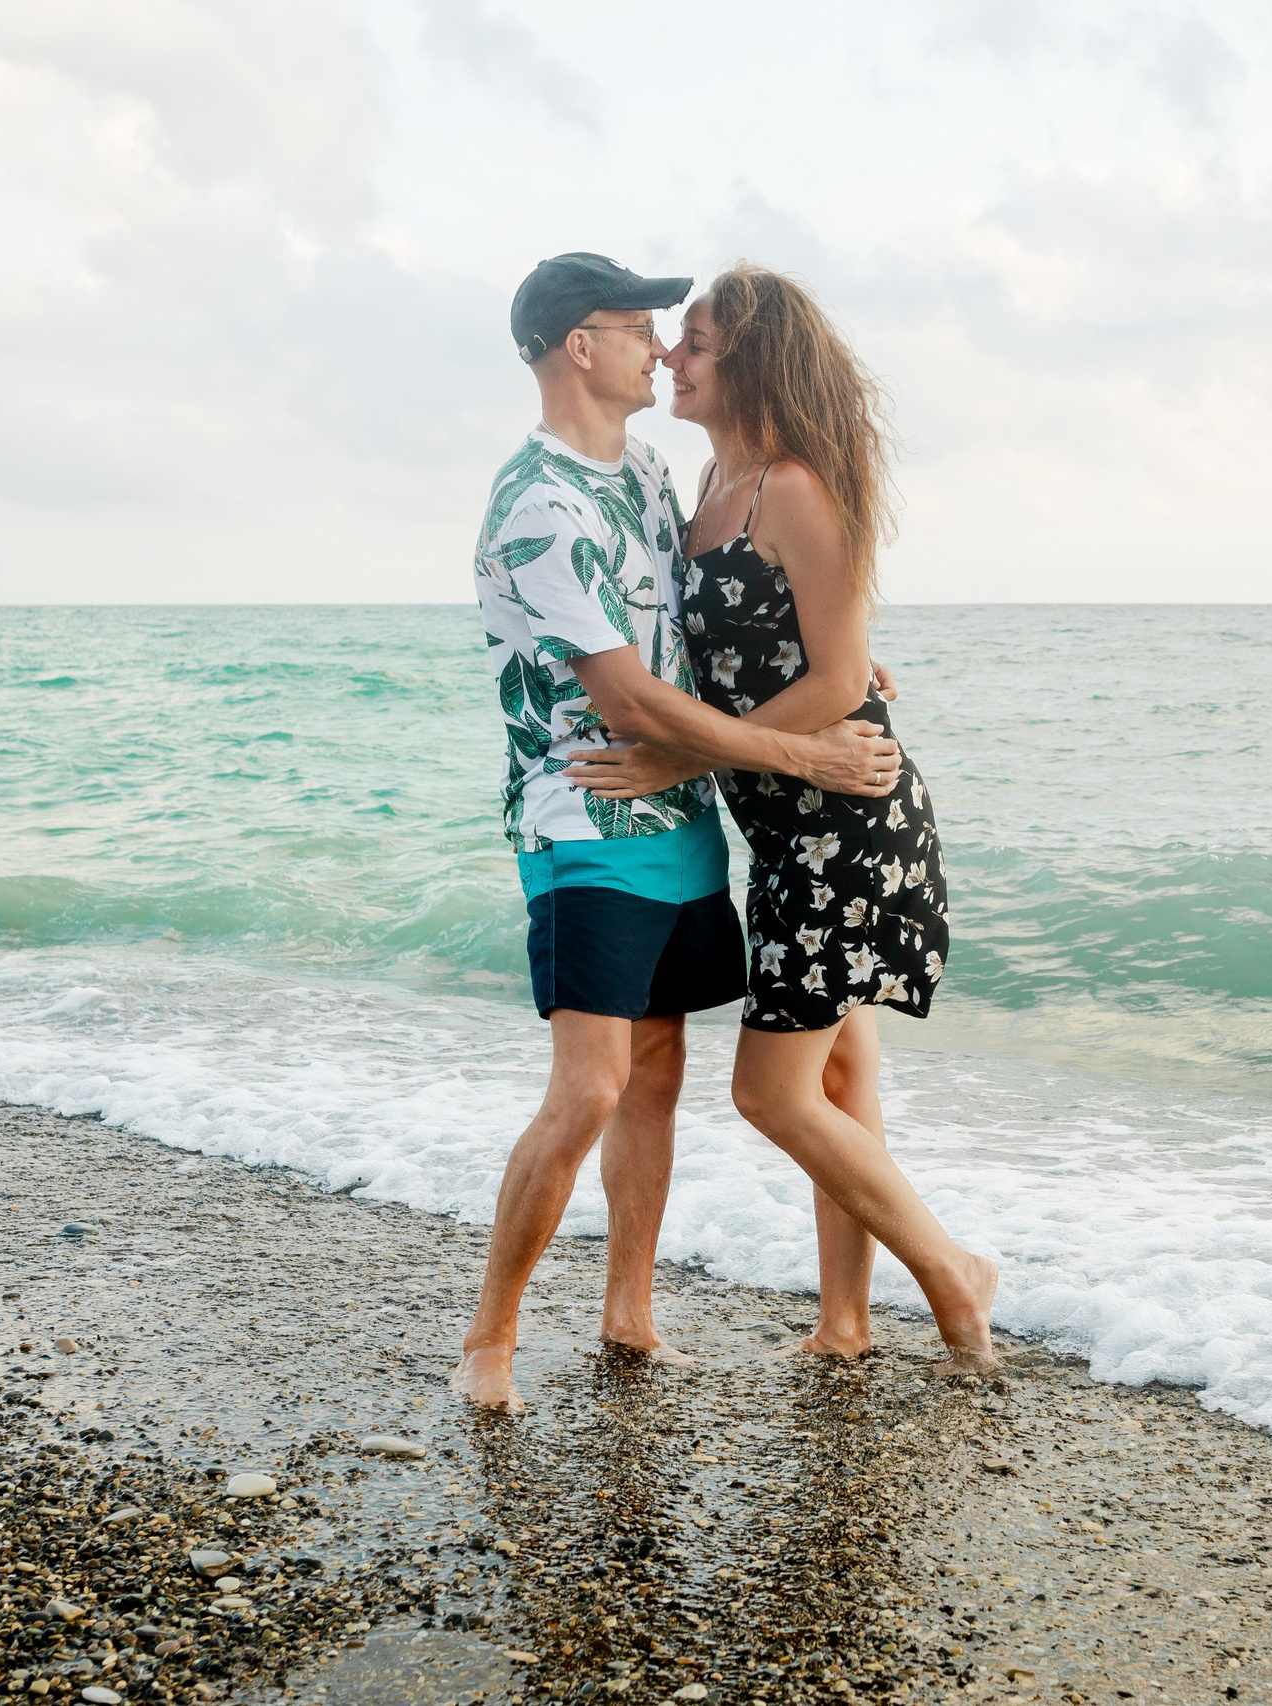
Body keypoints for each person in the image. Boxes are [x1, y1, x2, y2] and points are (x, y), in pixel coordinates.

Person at [452, 253, 906, 1411]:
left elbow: (694, 642)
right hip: (585, 818)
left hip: (685, 821)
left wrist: (837, 668)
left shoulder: (650, 474)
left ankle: (629, 1315)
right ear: (577, 348)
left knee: (655, 1071)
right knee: (591, 1082)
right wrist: (811, 746)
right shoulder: (536, 507)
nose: (659, 348)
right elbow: (635, 706)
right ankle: (490, 1336)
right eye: (636, 328)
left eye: (669, 331)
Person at [569, 263, 999, 1374]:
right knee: (841, 1082)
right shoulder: (712, 480)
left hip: (845, 821)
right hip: (780, 823)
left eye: (697, 342)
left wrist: (676, 745)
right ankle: (847, 1322)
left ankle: (950, 1271)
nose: (673, 355)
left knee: (767, 1089)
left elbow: (837, 679)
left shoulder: (797, 486)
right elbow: (762, 646)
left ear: (751, 359)